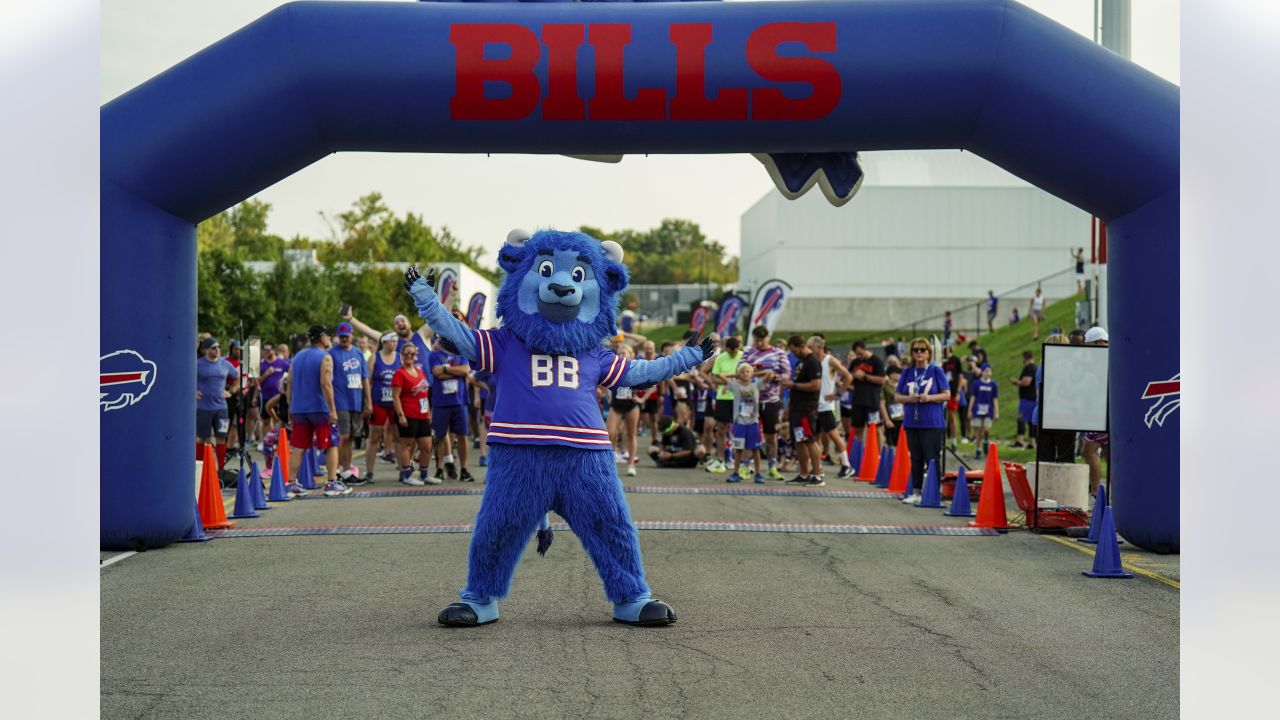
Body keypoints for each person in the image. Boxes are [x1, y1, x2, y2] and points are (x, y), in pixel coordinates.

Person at [287, 324, 352, 497]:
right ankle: (331, 483)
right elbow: (326, 384)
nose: (331, 340)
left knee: (298, 447)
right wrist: (332, 410)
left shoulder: (297, 357)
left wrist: (290, 406)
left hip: (300, 409)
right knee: (331, 444)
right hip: (319, 408)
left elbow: (290, 384)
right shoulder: (325, 357)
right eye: (329, 337)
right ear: (323, 338)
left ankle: (291, 483)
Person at [894, 338, 950, 505]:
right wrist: (909, 398)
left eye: (923, 350)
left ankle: (933, 492)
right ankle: (916, 491)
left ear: (928, 353)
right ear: (911, 353)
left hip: (932, 422)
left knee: (932, 458)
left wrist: (930, 397)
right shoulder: (907, 372)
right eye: (916, 350)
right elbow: (897, 396)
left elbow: (947, 394)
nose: (919, 353)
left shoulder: (935, 371)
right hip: (912, 421)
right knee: (916, 458)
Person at [740, 325, 790, 480]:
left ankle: (772, 466)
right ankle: (745, 466)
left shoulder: (778, 353)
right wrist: (757, 374)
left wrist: (773, 377)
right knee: (749, 434)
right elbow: (739, 372)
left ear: (768, 338)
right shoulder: (748, 352)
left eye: (761, 340)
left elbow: (787, 375)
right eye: (756, 340)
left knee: (771, 436)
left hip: (770, 400)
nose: (759, 343)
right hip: (750, 399)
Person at [329, 322, 371, 484]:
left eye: (347, 336)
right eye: (342, 336)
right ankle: (335, 469)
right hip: (341, 401)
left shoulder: (358, 353)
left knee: (353, 437)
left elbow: (364, 378)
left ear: (352, 336)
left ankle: (346, 470)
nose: (345, 339)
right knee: (343, 436)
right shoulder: (332, 353)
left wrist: (368, 402)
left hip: (356, 400)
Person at [429, 336, 475, 482]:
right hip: (441, 402)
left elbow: (465, 370)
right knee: (440, 436)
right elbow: (437, 373)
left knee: (462, 436)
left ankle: (464, 469)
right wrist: (455, 371)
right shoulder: (434, 355)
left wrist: (445, 369)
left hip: (459, 401)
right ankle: (440, 469)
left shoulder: (461, 354)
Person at [781, 334, 825, 486]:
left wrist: (794, 385)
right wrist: (789, 407)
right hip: (797, 408)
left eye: (794, 350)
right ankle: (804, 473)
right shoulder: (801, 362)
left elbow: (816, 385)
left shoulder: (812, 362)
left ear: (800, 346)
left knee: (810, 440)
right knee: (799, 440)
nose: (793, 353)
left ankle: (818, 474)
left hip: (807, 409)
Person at [391, 342, 437, 485]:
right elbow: (395, 396)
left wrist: (429, 412)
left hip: (422, 415)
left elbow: (425, 394)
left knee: (426, 446)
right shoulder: (399, 373)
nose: (409, 356)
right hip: (408, 414)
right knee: (407, 445)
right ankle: (407, 474)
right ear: (402, 356)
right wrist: (400, 415)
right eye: (406, 354)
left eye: (412, 354)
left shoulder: (420, 372)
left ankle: (424, 473)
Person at [809, 336, 855, 479]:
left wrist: (837, 393)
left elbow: (848, 377)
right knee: (815, 437)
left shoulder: (830, 360)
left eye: (810, 347)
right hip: (814, 405)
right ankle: (817, 468)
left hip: (826, 405)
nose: (808, 349)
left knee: (834, 435)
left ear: (818, 347)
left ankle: (846, 465)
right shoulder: (812, 361)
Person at [196, 337, 239, 471]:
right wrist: (192, 391)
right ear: (205, 350)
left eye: (219, 347)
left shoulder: (225, 364)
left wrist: (231, 391)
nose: (217, 350)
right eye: (214, 348)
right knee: (201, 438)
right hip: (203, 408)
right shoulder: (197, 363)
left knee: (221, 439)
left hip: (221, 408)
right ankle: (199, 469)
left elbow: (238, 377)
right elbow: (184, 377)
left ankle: (221, 469)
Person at [364, 332, 401, 484]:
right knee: (374, 437)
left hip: (396, 403)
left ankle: (404, 469)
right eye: (392, 341)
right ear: (384, 342)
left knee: (399, 437)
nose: (395, 344)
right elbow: (367, 381)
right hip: (378, 402)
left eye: (396, 341)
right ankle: (369, 472)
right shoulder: (375, 357)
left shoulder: (399, 357)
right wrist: (368, 403)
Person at [704, 335, 744, 474]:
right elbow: (714, 378)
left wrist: (730, 382)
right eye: (730, 351)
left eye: (735, 351)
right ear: (726, 348)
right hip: (723, 397)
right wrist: (729, 382)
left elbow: (746, 377)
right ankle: (721, 459)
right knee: (721, 429)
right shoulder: (720, 358)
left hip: (740, 397)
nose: (733, 353)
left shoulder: (743, 357)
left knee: (739, 429)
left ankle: (740, 460)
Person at [1033, 334, 1075, 463]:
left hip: (1041, 414)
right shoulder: (1070, 366)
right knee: (1066, 459)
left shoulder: (1042, 366)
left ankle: (1045, 484)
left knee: (1045, 460)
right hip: (1064, 415)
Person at [1080, 326, 1110, 496]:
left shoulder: (1102, 358)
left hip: (1101, 413)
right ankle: (1106, 490)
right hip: (1103, 412)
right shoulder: (1111, 355)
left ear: (1098, 342)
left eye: (1089, 345)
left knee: (1088, 451)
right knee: (1106, 452)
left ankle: (1096, 490)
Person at [724, 363, 765, 484]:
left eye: (748, 372)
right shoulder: (735, 385)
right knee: (739, 449)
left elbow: (769, 374)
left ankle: (758, 473)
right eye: (742, 372)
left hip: (753, 422)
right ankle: (735, 473)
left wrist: (753, 373)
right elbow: (722, 376)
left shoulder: (756, 385)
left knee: (755, 449)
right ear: (738, 374)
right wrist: (737, 374)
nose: (745, 374)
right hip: (740, 422)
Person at [607, 345, 641, 477]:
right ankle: (610, 463)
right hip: (616, 405)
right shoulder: (613, 369)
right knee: (610, 433)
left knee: (631, 434)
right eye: (619, 353)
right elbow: (602, 382)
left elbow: (652, 383)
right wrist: (608, 395)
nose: (621, 355)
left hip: (631, 405)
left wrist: (642, 398)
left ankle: (631, 464)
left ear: (631, 355)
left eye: (624, 353)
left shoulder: (636, 367)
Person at [846, 340, 886, 446]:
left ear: (866, 349)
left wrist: (865, 376)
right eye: (857, 354)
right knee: (857, 429)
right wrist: (854, 375)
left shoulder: (877, 361)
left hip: (872, 401)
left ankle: (878, 455)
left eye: (861, 353)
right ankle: (859, 454)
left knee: (875, 429)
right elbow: (849, 378)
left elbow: (882, 380)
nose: (859, 356)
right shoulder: (855, 362)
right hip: (858, 400)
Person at [967, 364, 999, 459]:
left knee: (986, 429)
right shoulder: (976, 384)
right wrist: (970, 410)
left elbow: (995, 398)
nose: (988, 373)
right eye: (986, 371)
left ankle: (985, 440)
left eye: (989, 371)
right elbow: (973, 397)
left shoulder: (993, 384)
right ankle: (978, 449)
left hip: (988, 410)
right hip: (978, 409)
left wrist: (996, 411)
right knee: (978, 430)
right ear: (982, 372)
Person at [1012, 350, 1038, 449]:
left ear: (1025, 357)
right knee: (1031, 421)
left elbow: (1027, 382)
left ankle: (1020, 441)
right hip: (1034, 398)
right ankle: (1032, 442)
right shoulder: (1035, 367)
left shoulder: (1028, 368)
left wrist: (1017, 382)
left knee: (1021, 419)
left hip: (1027, 399)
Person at [880, 366, 903, 448]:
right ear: (891, 374)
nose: (899, 375)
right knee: (891, 444)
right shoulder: (885, 387)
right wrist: (886, 420)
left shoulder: (903, 386)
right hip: (891, 419)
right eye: (897, 373)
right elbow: (882, 403)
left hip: (903, 419)